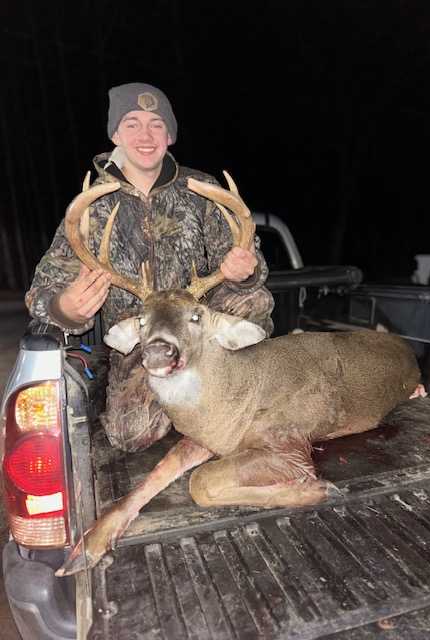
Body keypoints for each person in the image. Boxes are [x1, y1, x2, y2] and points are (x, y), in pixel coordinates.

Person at [26, 82, 275, 452]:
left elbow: (251, 265)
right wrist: (65, 308)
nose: (145, 135)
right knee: (130, 434)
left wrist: (245, 272)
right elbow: (41, 291)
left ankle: (245, 400)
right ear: (115, 134)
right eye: (132, 123)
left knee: (253, 299)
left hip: (199, 331)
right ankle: (198, 404)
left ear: (169, 135)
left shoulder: (202, 190)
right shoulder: (91, 208)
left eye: (156, 125)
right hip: (142, 341)